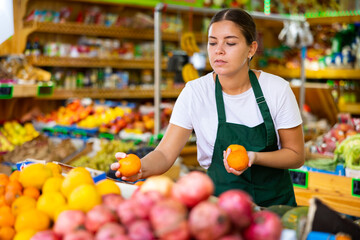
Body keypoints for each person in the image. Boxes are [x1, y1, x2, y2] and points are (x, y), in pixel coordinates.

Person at [111, 8, 304, 207]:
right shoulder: (195, 93)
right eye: (212, 43)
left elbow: (296, 155)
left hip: (274, 209)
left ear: (251, 49)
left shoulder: (276, 89)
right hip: (219, 211)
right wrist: (141, 167)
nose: (218, 50)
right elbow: (165, 154)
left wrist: (253, 157)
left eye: (230, 43)